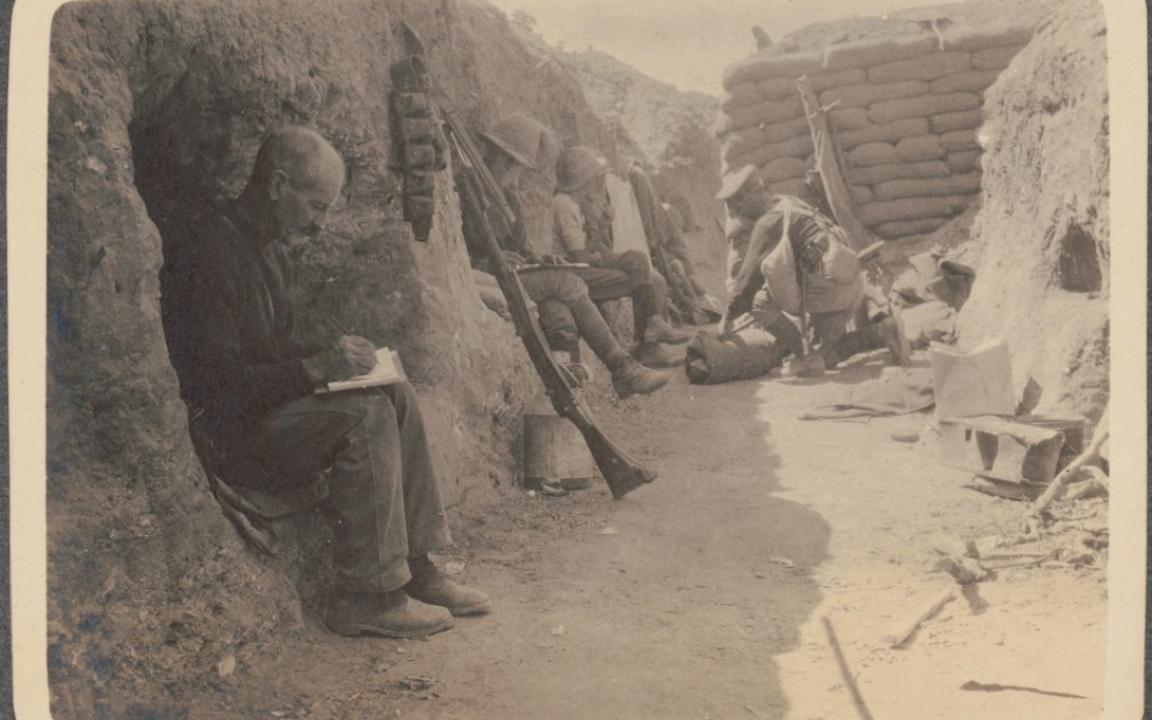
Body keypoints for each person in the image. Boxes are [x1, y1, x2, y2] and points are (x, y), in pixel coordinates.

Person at [159, 126, 489, 640]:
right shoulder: (209, 254)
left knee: (393, 392)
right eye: (316, 206)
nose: (321, 223)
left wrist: (337, 359)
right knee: (365, 414)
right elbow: (215, 385)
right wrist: (315, 370)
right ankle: (369, 596)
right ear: (277, 186)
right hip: (230, 441)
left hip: (264, 418)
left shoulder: (269, 250)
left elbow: (270, 352)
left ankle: (417, 567)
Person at [466, 114, 671, 398]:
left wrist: (538, 260)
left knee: (556, 307)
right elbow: (456, 256)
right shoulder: (466, 191)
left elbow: (522, 250)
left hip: (510, 276)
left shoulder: (508, 199)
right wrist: (494, 260)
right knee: (566, 283)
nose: (514, 174)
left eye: (516, 167)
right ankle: (622, 368)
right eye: (510, 165)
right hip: (481, 278)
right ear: (499, 158)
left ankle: (569, 380)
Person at [552, 146, 693, 366]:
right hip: (576, 271)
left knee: (645, 270)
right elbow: (580, 256)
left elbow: (586, 247)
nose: (597, 183)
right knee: (642, 271)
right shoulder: (564, 204)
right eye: (594, 179)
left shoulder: (574, 203)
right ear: (584, 180)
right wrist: (600, 255)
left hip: (584, 264)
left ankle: (651, 337)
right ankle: (649, 339)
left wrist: (601, 226)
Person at [721, 192, 868, 376]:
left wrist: (726, 321)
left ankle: (806, 357)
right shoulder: (791, 203)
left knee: (758, 302)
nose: (738, 215)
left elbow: (746, 283)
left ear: (748, 199)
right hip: (852, 288)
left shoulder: (768, 222)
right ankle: (881, 333)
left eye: (738, 209)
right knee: (825, 355)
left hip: (827, 293)